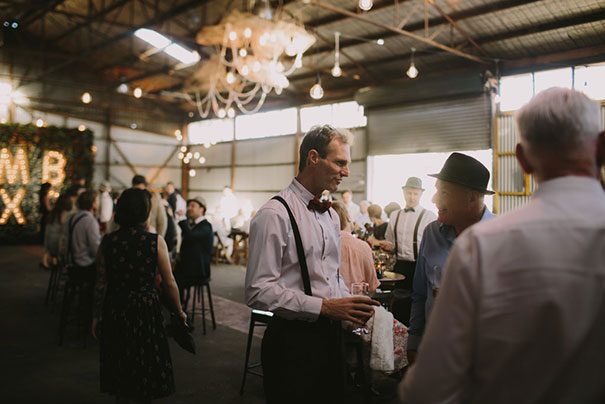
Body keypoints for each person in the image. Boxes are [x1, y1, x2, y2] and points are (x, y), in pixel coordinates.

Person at [400, 88, 605, 403]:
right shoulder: (461, 240)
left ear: (522, 159)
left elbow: (428, 387)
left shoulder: (481, 247)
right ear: (601, 147)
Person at [245, 124, 379, 403]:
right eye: (340, 163)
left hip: (331, 338)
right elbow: (258, 291)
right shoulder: (274, 214)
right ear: (314, 158)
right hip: (291, 343)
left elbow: (332, 276)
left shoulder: (331, 216)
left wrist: (350, 307)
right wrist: (324, 307)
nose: (346, 172)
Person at [92, 188, 186, 403]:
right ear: (145, 212)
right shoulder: (155, 241)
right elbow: (169, 283)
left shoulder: (107, 242)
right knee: (144, 369)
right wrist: (179, 311)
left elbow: (100, 283)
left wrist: (96, 315)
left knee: (120, 366)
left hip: (115, 308)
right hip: (145, 310)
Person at [406, 153, 495, 365]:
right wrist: (414, 342)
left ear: (471, 198)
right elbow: (420, 294)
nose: (434, 200)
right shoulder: (432, 234)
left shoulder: (503, 238)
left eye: (443, 192)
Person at [381, 177, 436, 290]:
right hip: (399, 266)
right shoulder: (394, 215)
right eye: (409, 193)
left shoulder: (429, 216)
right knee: (398, 297)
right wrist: (388, 247)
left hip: (420, 267)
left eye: (415, 194)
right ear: (404, 193)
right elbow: (390, 242)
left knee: (418, 297)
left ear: (421, 194)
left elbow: (433, 246)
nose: (412, 197)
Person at [332, 201, 380, 294]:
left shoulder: (321, 245)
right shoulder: (362, 246)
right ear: (348, 217)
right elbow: (372, 285)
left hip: (330, 300)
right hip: (357, 299)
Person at [174, 196, 213, 309]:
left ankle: (180, 310)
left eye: (193, 206)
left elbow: (191, 236)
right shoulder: (195, 225)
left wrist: (182, 219)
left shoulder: (206, 226)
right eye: (189, 206)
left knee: (172, 282)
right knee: (169, 279)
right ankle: (180, 306)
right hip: (190, 267)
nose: (189, 208)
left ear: (202, 209)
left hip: (199, 270)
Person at [66, 190, 101, 282]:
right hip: (85, 264)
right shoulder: (90, 221)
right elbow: (95, 248)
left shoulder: (72, 217)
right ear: (93, 204)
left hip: (71, 262)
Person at [43, 193, 73, 267]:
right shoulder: (68, 215)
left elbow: (47, 232)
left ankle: (55, 263)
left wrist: (46, 250)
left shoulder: (52, 214)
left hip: (51, 245)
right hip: (61, 247)